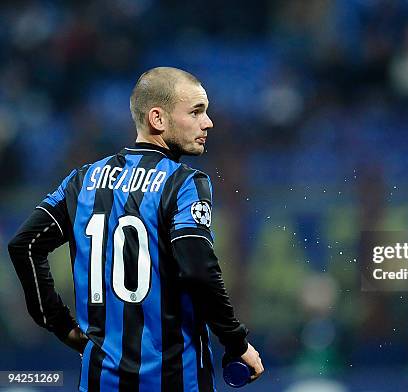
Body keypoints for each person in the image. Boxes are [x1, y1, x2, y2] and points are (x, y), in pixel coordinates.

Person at [7, 67, 264, 392]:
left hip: (100, 382)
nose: (208, 122)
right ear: (158, 119)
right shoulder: (184, 183)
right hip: (174, 380)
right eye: (196, 111)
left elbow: (25, 245)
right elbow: (199, 270)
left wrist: (61, 326)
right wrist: (236, 342)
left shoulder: (82, 181)